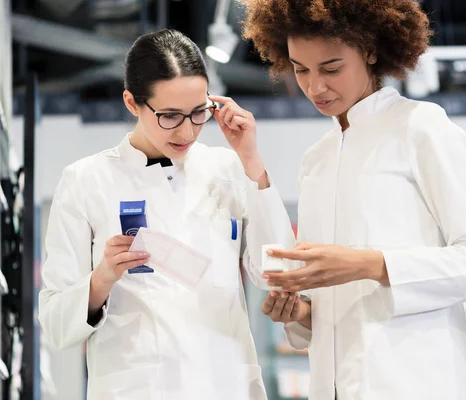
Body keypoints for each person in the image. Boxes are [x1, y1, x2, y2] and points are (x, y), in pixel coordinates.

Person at [241, 1, 466, 399]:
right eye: (301, 70)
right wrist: (301, 313)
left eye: (331, 68)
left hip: (416, 383)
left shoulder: (421, 128)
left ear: (369, 50)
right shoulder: (317, 158)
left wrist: (369, 264)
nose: (315, 87)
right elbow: (333, 309)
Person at [38, 29, 292, 399]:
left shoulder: (228, 168)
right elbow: (57, 325)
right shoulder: (86, 181)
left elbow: (281, 272)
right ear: (132, 102)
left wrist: (251, 160)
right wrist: (102, 278)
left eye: (198, 112)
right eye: (170, 115)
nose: (188, 130)